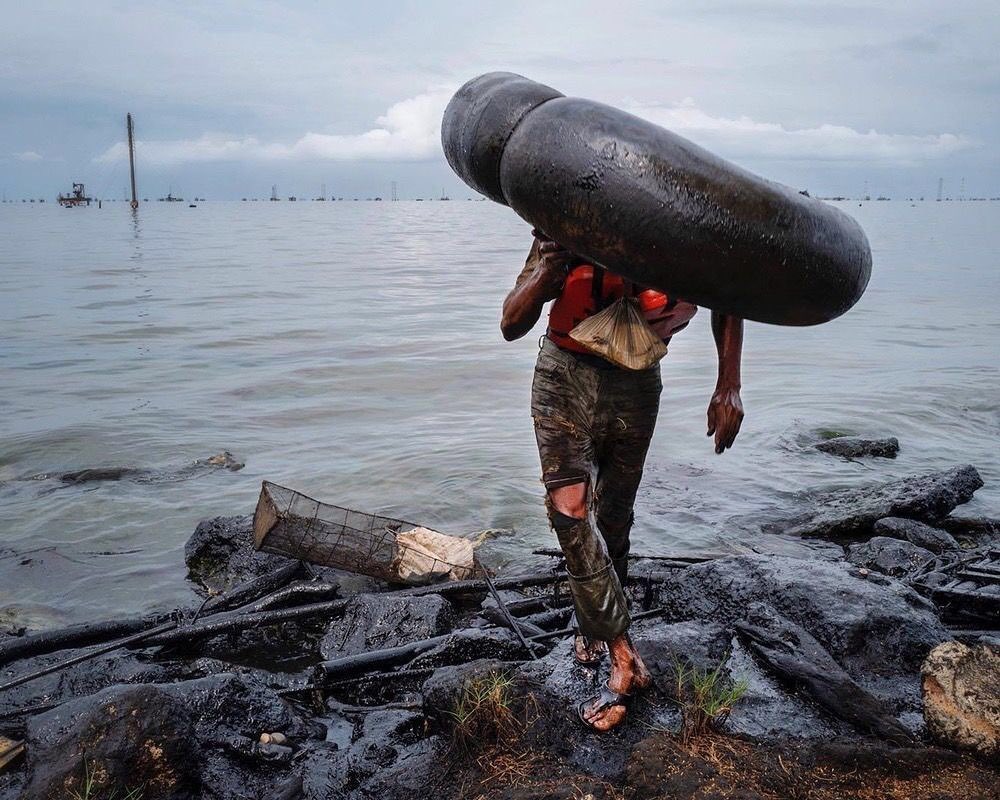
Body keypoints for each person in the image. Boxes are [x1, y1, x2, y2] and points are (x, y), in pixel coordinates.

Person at [500, 230, 745, 732]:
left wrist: (728, 386)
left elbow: (729, 302)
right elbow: (510, 324)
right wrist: (548, 271)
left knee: (614, 516)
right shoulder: (564, 229)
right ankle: (623, 654)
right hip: (564, 374)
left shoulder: (680, 241)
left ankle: (594, 625)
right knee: (569, 513)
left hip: (636, 383)